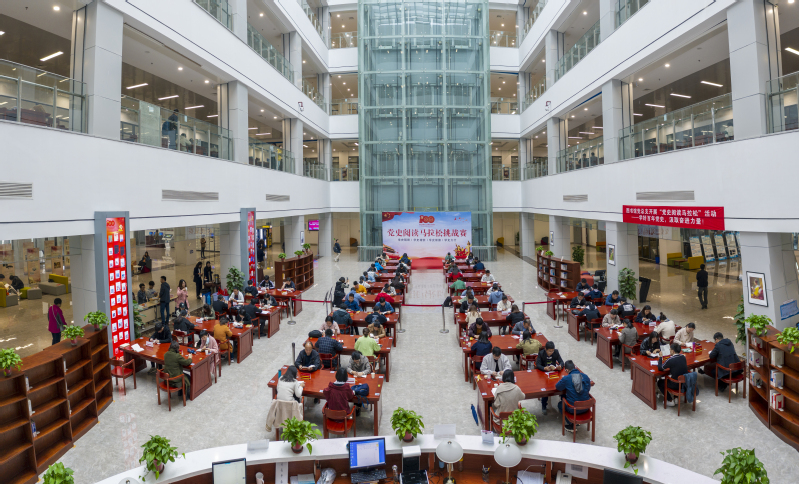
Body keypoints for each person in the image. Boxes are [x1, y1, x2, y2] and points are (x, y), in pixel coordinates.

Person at [555, 361, 592, 431]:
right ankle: (575, 422)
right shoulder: (585, 376)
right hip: (586, 407)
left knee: (560, 404)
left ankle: (571, 424)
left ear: (566, 370)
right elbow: (588, 389)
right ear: (574, 367)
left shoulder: (566, 378)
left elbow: (558, 387)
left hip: (573, 409)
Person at [535, 341, 564, 414]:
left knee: (562, 385)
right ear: (545, 349)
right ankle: (544, 405)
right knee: (546, 389)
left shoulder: (556, 352)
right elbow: (538, 364)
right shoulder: (541, 353)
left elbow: (561, 361)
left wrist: (560, 366)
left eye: (552, 351)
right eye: (549, 351)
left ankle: (563, 401)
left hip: (553, 373)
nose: (551, 352)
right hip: (544, 373)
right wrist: (544, 368)